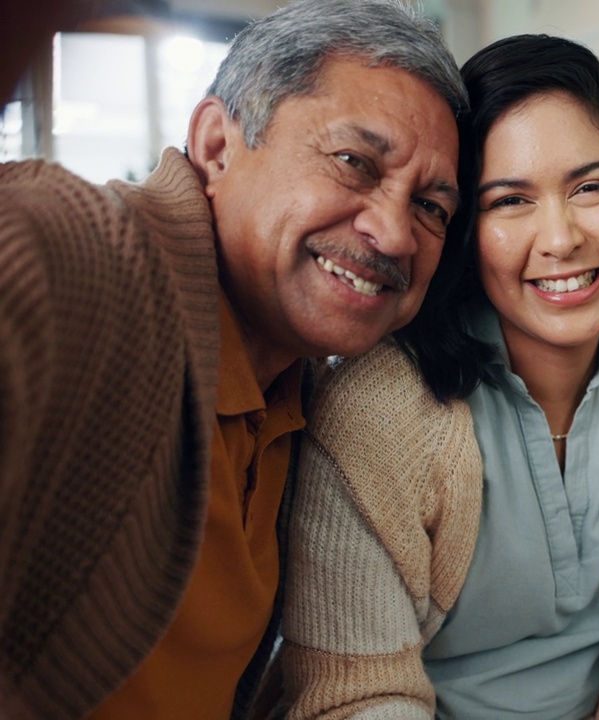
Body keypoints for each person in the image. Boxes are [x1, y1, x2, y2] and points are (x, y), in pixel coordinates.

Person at [0, 1, 465, 717]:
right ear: (218, 145)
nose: (396, 234)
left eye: (433, 207)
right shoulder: (91, 262)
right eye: (354, 163)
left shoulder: (311, 394)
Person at [278, 34, 599, 720]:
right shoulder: (373, 411)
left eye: (592, 187)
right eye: (510, 201)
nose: (561, 238)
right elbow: (353, 698)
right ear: (463, 224)